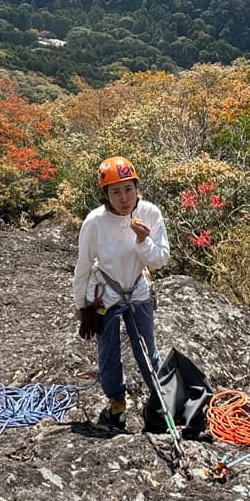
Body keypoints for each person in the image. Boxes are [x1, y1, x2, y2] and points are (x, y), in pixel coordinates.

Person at [72, 155, 169, 430]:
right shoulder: (95, 222)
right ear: (106, 195)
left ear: (137, 187)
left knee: (147, 350)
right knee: (108, 353)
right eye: (115, 192)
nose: (124, 198)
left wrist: (143, 240)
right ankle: (116, 401)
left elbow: (159, 260)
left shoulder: (150, 213)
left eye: (128, 189)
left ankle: (160, 398)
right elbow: (83, 265)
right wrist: (81, 305)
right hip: (106, 294)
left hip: (137, 288)